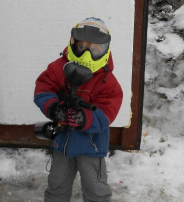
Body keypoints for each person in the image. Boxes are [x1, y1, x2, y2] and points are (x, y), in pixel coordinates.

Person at [34, 17, 123, 202]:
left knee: (96, 189)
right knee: (57, 185)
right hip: (62, 143)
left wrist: (85, 118)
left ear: (105, 51)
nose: (87, 55)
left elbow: (107, 112)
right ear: (73, 44)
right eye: (82, 47)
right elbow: (44, 88)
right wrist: (53, 107)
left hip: (91, 145)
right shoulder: (58, 68)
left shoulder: (107, 81)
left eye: (95, 49)